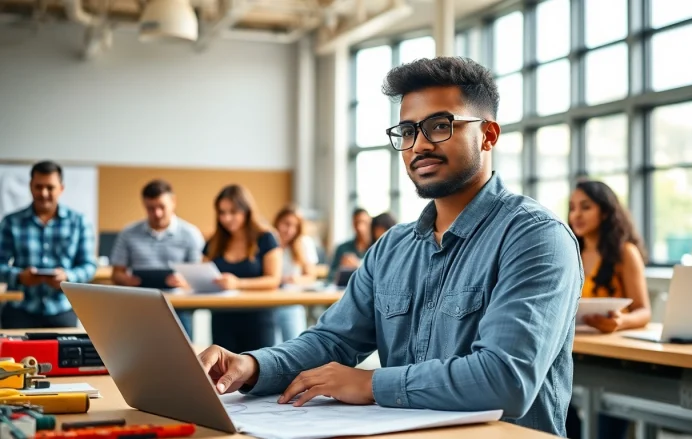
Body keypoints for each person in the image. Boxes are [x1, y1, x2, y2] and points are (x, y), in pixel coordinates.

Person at [198, 57, 582, 437]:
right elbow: (333, 340)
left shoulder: (537, 238)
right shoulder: (393, 247)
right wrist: (251, 366)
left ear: (488, 135)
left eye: (439, 126)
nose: (419, 146)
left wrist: (370, 384)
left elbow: (504, 379)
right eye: (408, 131)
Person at [565, 180, 651, 439]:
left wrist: (620, 322)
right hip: (574, 350)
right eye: (572, 208)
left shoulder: (625, 252)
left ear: (605, 211)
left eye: (585, 207)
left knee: (607, 428)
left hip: (614, 356)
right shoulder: (568, 250)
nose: (576, 215)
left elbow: (644, 311)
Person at [0, 161, 96, 328]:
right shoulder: (11, 222)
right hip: (20, 310)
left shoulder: (79, 222)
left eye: (50, 187)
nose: (44, 193)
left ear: (61, 188)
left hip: (62, 311)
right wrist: (19, 277)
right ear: (31, 186)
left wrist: (67, 277)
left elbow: (89, 266)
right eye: (39, 187)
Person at [110, 179, 205, 340]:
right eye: (150, 208)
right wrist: (126, 280)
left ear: (173, 202)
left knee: (184, 358)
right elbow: (116, 274)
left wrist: (183, 281)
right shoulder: (128, 233)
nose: (157, 213)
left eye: (161, 207)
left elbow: (199, 278)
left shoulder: (191, 234)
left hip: (178, 306)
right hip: (139, 305)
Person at [203, 185, 282, 354]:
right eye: (222, 212)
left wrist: (237, 283)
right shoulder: (215, 241)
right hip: (222, 317)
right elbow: (203, 271)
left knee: (259, 374)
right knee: (224, 374)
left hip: (258, 318)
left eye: (233, 212)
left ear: (246, 210)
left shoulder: (266, 238)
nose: (227, 218)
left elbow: (273, 280)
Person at [273, 205, 319, 342]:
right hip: (269, 300)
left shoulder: (304, 243)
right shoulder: (269, 241)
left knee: (293, 342)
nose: (290, 230)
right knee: (269, 345)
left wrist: (296, 279)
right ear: (277, 222)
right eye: (286, 224)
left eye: (295, 226)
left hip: (291, 300)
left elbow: (311, 276)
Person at [326, 208, 371, 282]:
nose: (360, 227)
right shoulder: (342, 248)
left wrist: (358, 265)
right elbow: (330, 276)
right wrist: (342, 269)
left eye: (364, 222)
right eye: (356, 223)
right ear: (352, 224)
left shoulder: (376, 248)